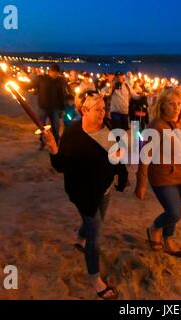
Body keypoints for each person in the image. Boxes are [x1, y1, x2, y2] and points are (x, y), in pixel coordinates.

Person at [43, 92, 128, 299]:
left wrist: (121, 171)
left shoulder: (107, 126)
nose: (103, 113)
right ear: (84, 111)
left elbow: (115, 154)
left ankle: (80, 238)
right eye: (97, 109)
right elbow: (61, 165)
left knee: (94, 221)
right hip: (83, 192)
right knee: (96, 233)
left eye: (103, 109)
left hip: (104, 188)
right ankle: (94, 279)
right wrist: (54, 150)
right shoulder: (73, 134)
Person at [134, 88, 181, 259]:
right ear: (162, 106)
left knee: (174, 213)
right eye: (171, 104)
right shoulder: (156, 126)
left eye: (178, 104)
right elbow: (144, 156)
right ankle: (154, 228)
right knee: (174, 212)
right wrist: (141, 183)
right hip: (162, 177)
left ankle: (168, 240)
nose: (175, 108)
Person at [25, 64, 67, 148]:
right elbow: (31, 85)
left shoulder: (60, 81)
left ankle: (56, 143)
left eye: (57, 74)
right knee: (42, 127)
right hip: (42, 107)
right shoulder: (41, 79)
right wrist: (19, 85)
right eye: (55, 73)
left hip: (55, 108)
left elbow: (62, 95)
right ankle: (42, 142)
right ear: (50, 72)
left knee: (55, 127)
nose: (56, 75)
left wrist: (62, 109)